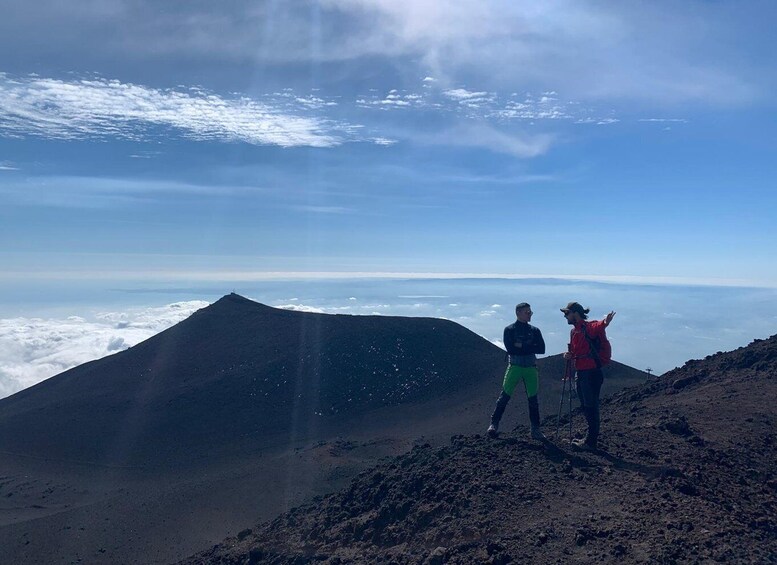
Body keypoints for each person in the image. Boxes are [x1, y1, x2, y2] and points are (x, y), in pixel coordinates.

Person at [487, 302, 546, 441]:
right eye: (527, 312)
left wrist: (521, 345)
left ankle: (535, 430)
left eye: (530, 312)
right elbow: (511, 349)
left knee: (533, 399)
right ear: (518, 313)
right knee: (505, 396)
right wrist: (530, 346)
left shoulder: (534, 330)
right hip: (516, 366)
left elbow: (542, 349)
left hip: (529, 367)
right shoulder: (510, 329)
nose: (530, 314)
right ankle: (493, 424)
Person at [561, 302, 616, 450]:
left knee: (591, 406)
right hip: (582, 372)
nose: (565, 316)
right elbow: (574, 352)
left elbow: (598, 326)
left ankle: (590, 442)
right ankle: (590, 438)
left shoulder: (587, 328)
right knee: (587, 406)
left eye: (567, 313)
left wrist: (606, 321)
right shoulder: (574, 332)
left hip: (591, 373)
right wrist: (569, 355)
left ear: (575, 313)